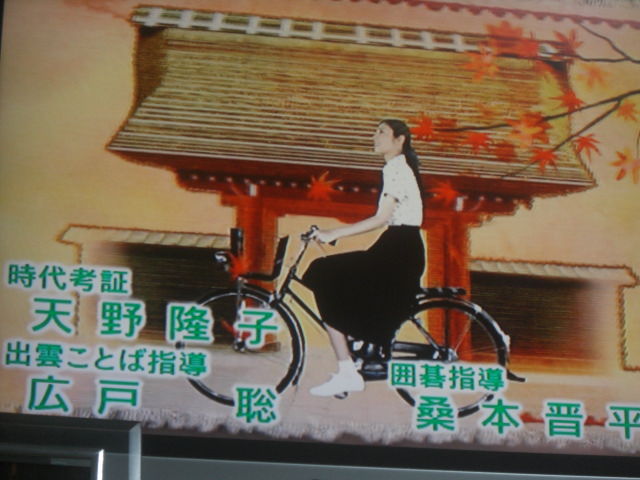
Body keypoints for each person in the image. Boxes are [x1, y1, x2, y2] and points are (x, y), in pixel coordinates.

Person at [302, 119, 425, 397]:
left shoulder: (397, 169)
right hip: (399, 248)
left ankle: (347, 371)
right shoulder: (398, 167)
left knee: (323, 272)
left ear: (400, 139)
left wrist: (333, 233)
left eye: (381, 132)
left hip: (398, 250)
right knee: (337, 277)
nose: (374, 136)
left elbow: (381, 218)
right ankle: (358, 349)